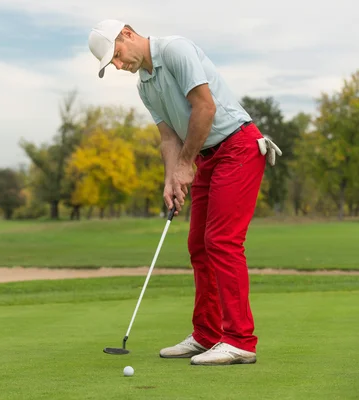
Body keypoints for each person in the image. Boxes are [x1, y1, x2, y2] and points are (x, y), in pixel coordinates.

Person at [88, 19, 281, 366]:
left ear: (128, 34)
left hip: (238, 147)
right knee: (198, 245)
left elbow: (204, 107)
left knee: (222, 241)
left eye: (116, 55)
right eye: (112, 64)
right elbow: (168, 138)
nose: (118, 66)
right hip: (206, 156)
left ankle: (239, 340)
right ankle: (207, 335)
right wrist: (171, 178)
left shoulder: (175, 49)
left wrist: (185, 164)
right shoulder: (145, 86)